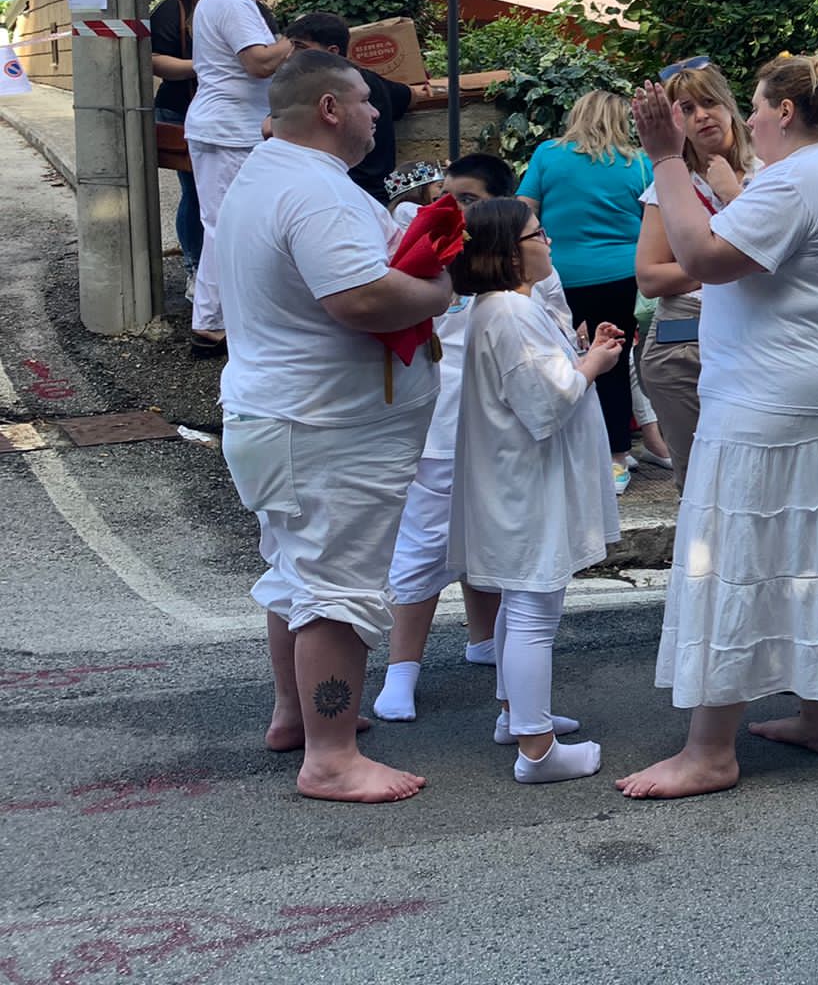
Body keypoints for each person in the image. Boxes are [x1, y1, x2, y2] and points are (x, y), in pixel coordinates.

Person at [617, 57, 818, 799]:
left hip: (778, 399)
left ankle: (709, 752)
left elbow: (701, 257)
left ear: (785, 111)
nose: (747, 118)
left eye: (754, 105)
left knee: (738, 556)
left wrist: (664, 157)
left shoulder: (796, 179)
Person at [215, 50, 451, 803]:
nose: (377, 113)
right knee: (336, 587)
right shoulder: (316, 191)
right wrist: (440, 289)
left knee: (296, 571)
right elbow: (360, 299)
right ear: (329, 109)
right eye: (365, 101)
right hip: (327, 427)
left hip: (281, 415)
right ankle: (331, 757)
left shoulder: (263, 175)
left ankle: (298, 716)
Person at [371, 153, 575, 723]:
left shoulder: (530, 266)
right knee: (424, 544)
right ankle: (401, 669)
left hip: (504, 427)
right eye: (446, 196)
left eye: (467, 199)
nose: (452, 208)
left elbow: (557, 327)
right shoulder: (430, 252)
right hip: (439, 424)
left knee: (496, 539)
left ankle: (485, 640)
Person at [447, 199, 622, 784]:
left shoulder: (503, 307)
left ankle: (516, 715)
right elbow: (545, 399)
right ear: (509, 252)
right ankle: (537, 748)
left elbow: (543, 376)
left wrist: (584, 354)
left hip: (514, 477)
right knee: (533, 607)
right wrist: (593, 365)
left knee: (519, 601)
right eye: (537, 234)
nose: (548, 242)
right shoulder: (510, 311)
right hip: (524, 480)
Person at [517, 90, 654, 492]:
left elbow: (523, 208)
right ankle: (617, 456)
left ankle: (567, 448)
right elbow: (652, 219)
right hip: (622, 274)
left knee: (559, 359)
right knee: (614, 361)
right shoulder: (639, 163)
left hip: (559, 275)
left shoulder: (547, 154)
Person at [634, 64, 750, 484]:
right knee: (701, 481)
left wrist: (731, 194)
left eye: (709, 102)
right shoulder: (670, 184)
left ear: (729, 105)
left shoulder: (769, 172)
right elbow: (650, 277)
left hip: (755, 336)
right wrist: (723, 266)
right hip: (684, 343)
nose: (701, 115)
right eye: (686, 108)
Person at [184, 0, 293, 356]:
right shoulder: (231, 1)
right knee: (225, 224)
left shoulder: (229, 0)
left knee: (226, 223)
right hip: (227, 129)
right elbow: (259, 62)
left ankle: (218, 318)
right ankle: (212, 322)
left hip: (228, 126)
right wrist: (294, 41)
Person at [148, 0, 233, 296]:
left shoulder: (248, 8)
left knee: (226, 194)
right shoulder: (174, 9)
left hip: (231, 115)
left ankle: (221, 268)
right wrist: (207, 66)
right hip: (182, 110)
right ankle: (196, 269)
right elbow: (154, 60)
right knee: (197, 193)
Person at [280, 12, 415, 201]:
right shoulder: (372, 81)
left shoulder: (313, 92)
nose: (290, 55)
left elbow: (269, 128)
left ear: (332, 52)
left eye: (300, 47)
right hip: (379, 196)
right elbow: (409, 95)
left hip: (339, 195)